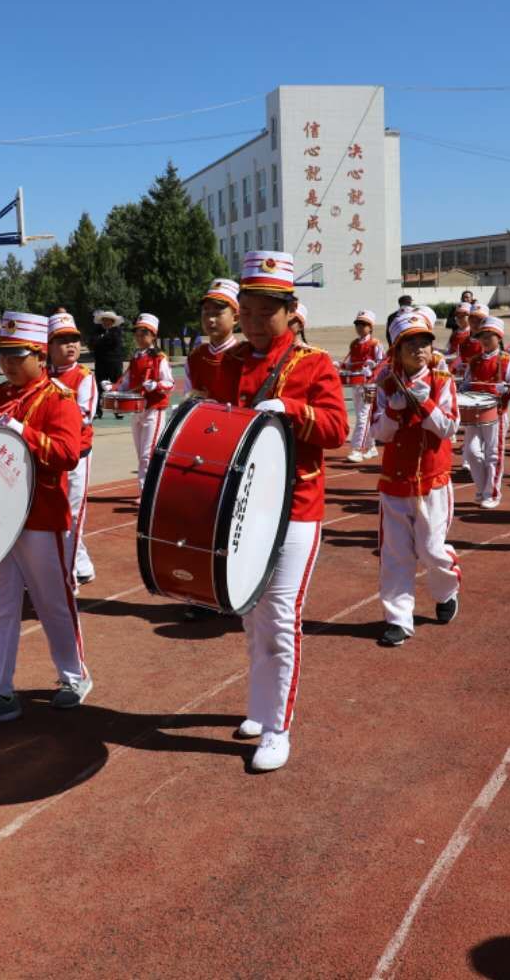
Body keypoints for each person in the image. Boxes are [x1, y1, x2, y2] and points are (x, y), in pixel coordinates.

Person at [210, 251, 347, 772]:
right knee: (250, 613)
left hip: (296, 507)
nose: (253, 320)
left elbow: (336, 430)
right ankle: (260, 705)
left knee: (281, 619)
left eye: (266, 310)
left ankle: (277, 728)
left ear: (291, 312)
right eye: (246, 309)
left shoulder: (313, 363)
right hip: (244, 507)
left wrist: (292, 409)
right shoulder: (231, 363)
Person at [0, 311, 89, 726]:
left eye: (18, 356)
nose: (8, 364)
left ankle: (73, 676)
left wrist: (22, 432)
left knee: (53, 601)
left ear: (39, 356)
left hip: (41, 516)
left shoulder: (59, 398)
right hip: (1, 517)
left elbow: (68, 454)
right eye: (4, 355)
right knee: (0, 604)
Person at [371, 308, 460, 648]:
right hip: (395, 481)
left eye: (424, 342)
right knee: (395, 554)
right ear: (396, 349)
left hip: (433, 481)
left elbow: (449, 427)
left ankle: (447, 590)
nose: (418, 349)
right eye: (410, 343)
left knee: (432, 550)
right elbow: (378, 433)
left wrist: (426, 406)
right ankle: (398, 619)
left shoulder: (442, 380)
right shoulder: (386, 383)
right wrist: (393, 411)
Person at [48, 312, 98, 584]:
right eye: (62, 340)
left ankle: (67, 574)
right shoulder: (43, 376)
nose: (71, 345)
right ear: (49, 346)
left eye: (74, 340)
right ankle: (81, 564)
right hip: (50, 454)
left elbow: (84, 416)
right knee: (56, 510)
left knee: (74, 512)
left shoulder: (83, 376)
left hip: (77, 454)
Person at [460, 316, 510, 508]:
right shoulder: (475, 360)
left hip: (497, 412)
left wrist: (507, 387)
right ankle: (481, 488)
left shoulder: (506, 359)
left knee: (493, 454)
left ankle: (492, 493)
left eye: (489, 336)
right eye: (482, 336)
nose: (485, 340)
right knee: (471, 452)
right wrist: (463, 387)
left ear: (499, 337)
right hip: (474, 412)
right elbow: (467, 382)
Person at [114, 313, 174, 489]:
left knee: (148, 454)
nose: (139, 337)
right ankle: (148, 489)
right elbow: (126, 381)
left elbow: (169, 383)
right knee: (141, 453)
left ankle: (145, 492)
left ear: (153, 335)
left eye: (144, 333)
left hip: (154, 410)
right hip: (137, 410)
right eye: (137, 333)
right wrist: (113, 387)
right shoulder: (136, 357)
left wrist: (155, 385)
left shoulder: (159, 358)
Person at [185, 279, 240, 399]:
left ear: (235, 318)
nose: (210, 319)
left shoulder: (244, 356)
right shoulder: (195, 357)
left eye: (217, 313)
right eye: (206, 312)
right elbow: (188, 397)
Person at [341, 309, 383, 462]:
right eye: (357, 324)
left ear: (370, 327)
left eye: (363, 324)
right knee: (361, 416)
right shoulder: (354, 344)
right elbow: (349, 363)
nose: (359, 327)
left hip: (370, 385)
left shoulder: (376, 344)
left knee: (363, 416)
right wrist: (339, 365)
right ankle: (371, 447)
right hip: (356, 383)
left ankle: (357, 449)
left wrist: (372, 368)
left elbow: (382, 363)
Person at [90, 311, 126, 418]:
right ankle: (98, 411)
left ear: (112, 322)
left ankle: (118, 410)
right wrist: (101, 340)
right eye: (104, 320)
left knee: (117, 386)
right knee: (99, 387)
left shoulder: (117, 331)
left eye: (108, 320)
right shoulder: (97, 331)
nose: (106, 322)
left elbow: (112, 341)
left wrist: (101, 340)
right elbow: (92, 343)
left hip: (115, 363)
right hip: (101, 363)